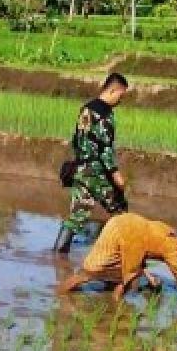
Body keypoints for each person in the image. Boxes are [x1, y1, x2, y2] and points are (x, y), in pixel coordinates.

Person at [54, 72, 129, 253]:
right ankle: (126, 254)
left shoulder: (86, 109)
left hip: (80, 169)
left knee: (78, 214)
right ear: (113, 90)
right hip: (96, 172)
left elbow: (77, 140)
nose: (120, 100)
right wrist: (115, 174)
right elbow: (104, 148)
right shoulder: (103, 113)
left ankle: (58, 254)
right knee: (120, 210)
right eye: (121, 95)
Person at [59, 213, 177, 301]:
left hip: (121, 223)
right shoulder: (172, 250)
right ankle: (116, 306)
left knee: (115, 275)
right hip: (125, 233)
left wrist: (148, 275)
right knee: (93, 272)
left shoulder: (169, 231)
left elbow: (145, 248)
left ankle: (110, 304)